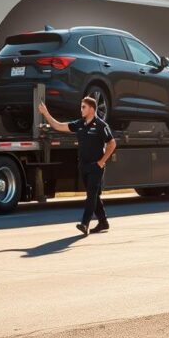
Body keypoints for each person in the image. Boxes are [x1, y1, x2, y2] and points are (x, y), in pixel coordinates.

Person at [38, 97, 117, 236]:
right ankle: (103, 221)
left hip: (96, 167)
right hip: (83, 166)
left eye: (83, 107)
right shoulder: (79, 124)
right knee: (94, 196)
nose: (81, 109)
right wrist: (45, 113)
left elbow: (112, 144)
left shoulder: (101, 125)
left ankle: (84, 224)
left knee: (91, 195)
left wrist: (101, 162)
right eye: (81, 107)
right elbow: (58, 126)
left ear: (92, 109)